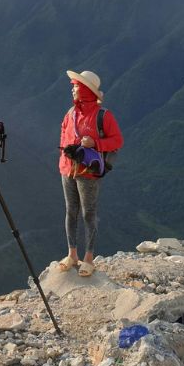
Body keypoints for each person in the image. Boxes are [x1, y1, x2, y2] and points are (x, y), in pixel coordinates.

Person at [57, 70, 123, 277]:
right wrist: (65, 153)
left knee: (88, 213)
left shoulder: (103, 116)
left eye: (76, 86)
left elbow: (117, 141)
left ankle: (89, 258)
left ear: (85, 89)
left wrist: (95, 143)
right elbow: (63, 134)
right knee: (71, 211)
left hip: (88, 172)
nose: (73, 89)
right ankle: (72, 254)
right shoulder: (70, 113)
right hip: (68, 169)